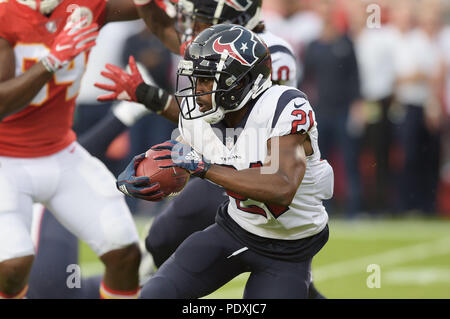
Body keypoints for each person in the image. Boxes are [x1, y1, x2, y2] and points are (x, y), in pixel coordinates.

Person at [97, 0, 327, 298]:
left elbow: (281, 186)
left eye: (205, 81)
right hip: (235, 226)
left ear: (239, 81)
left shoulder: (284, 105)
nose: (196, 90)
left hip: (288, 246)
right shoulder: (203, 107)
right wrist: (151, 170)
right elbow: (185, 151)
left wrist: (202, 166)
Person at [0, 0, 143, 299]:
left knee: (125, 252)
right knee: (13, 266)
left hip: (61, 152)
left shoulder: (87, 5)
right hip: (5, 159)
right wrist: (52, 59)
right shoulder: (4, 14)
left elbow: (152, 7)